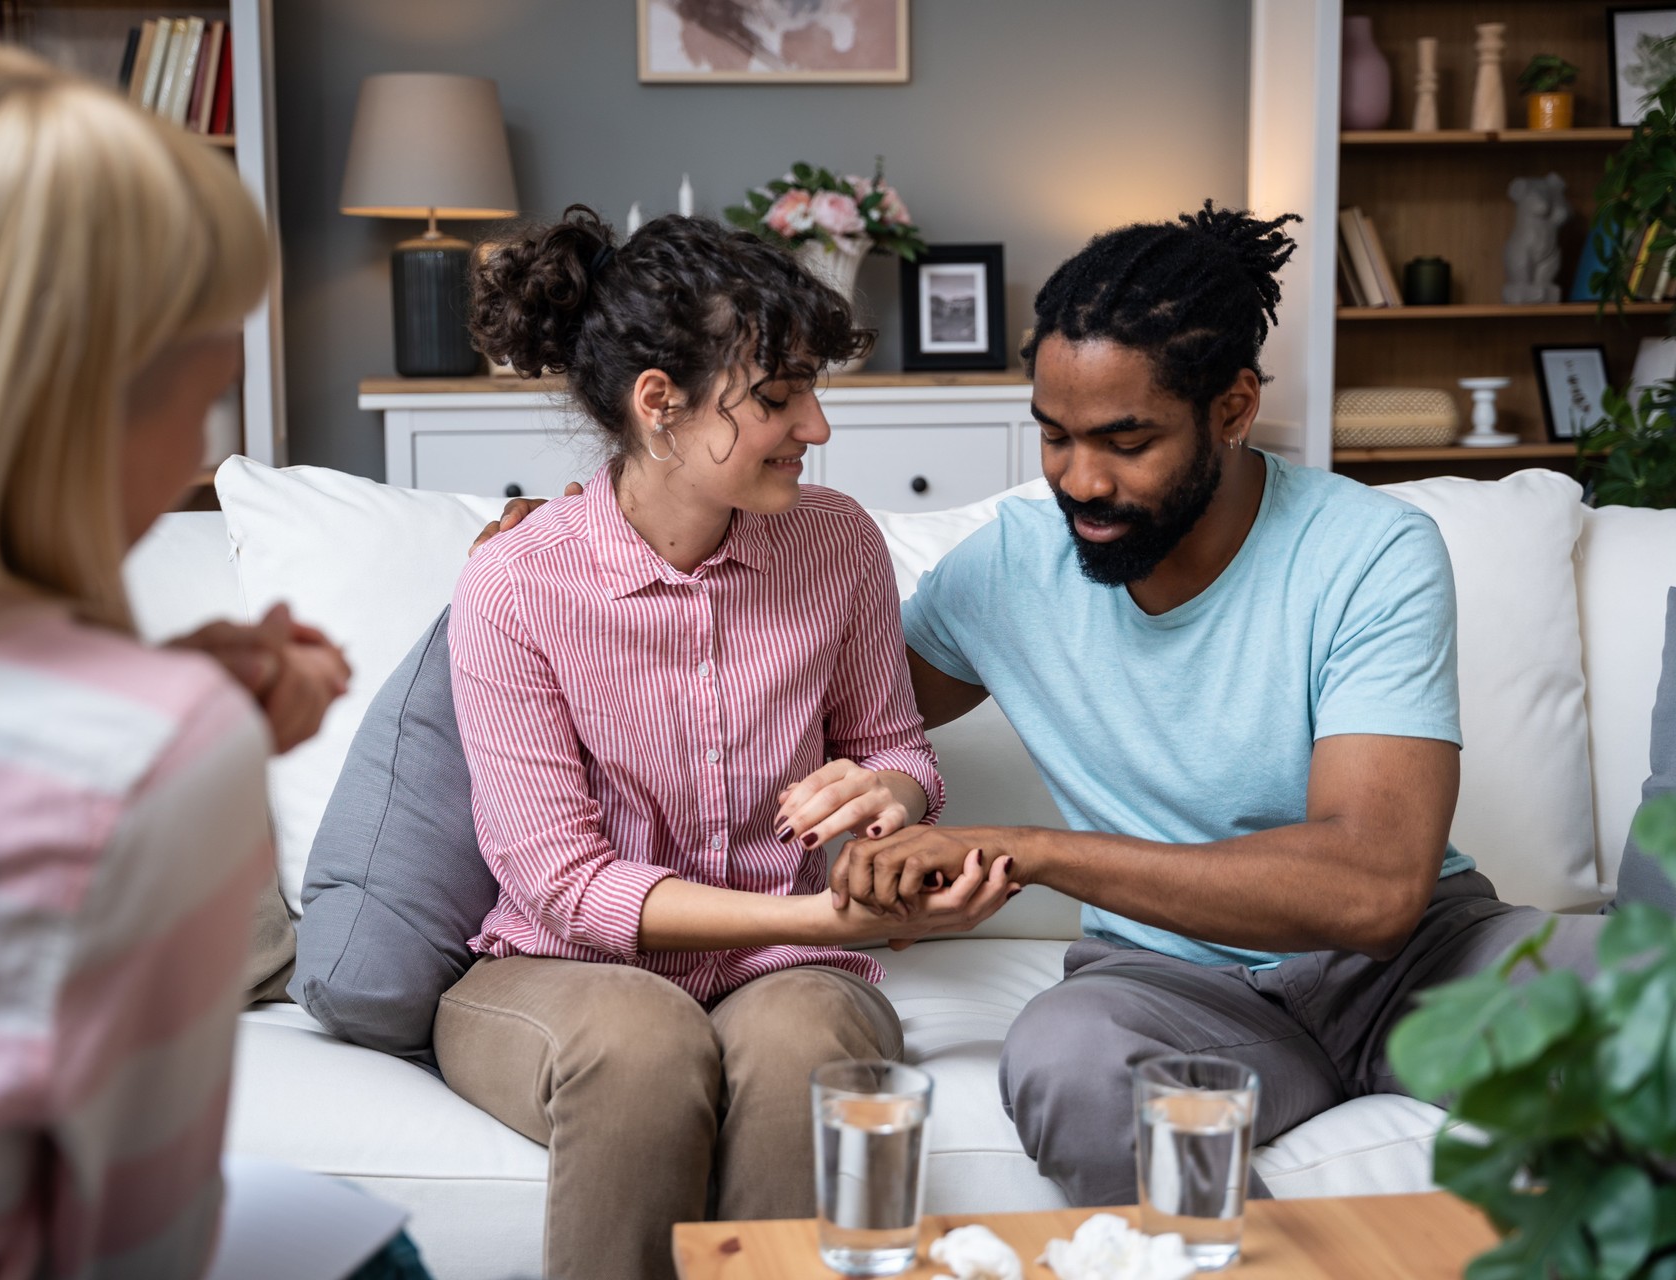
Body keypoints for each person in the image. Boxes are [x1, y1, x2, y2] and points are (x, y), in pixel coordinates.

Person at [0, 46, 438, 1279]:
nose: (199, 454)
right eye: (204, 396)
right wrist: (181, 732)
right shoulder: (151, 746)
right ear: (67, 411)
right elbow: (140, 1246)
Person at [820, 202, 1603, 1205]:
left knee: (1652, 1001)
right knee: (1067, 1060)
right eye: (1054, 437)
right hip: (1167, 984)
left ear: (1233, 407)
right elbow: (830, 709)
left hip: (1414, 967)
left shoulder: (1368, 551)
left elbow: (1374, 891)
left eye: (1126, 440)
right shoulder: (1008, 568)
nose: (1079, 479)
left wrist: (1033, 849)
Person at [445, 207, 1017, 1280]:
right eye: (779, 396)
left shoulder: (837, 542)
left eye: (813, 390)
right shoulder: (516, 583)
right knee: (643, 1049)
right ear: (659, 402)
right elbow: (563, 883)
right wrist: (820, 914)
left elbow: (898, 748)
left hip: (790, 970)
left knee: (805, 1042)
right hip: (563, 967)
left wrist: (889, 798)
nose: (817, 426)